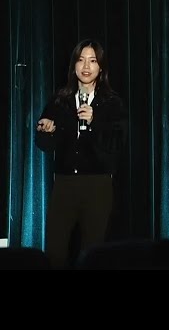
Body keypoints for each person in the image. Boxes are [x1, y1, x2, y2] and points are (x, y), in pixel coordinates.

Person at [35, 38, 127, 269]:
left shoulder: (112, 103)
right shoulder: (60, 100)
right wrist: (47, 130)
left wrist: (94, 122)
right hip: (64, 184)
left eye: (92, 61)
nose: (86, 66)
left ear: (101, 67)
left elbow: (116, 144)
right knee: (55, 251)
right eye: (81, 60)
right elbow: (45, 145)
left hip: (97, 185)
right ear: (73, 65)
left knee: (93, 254)